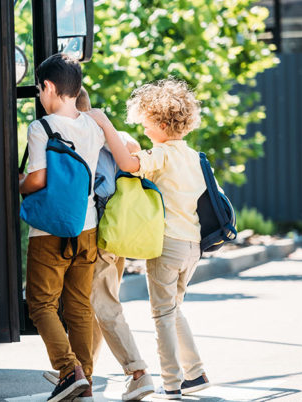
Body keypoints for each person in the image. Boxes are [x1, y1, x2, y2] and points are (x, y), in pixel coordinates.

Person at [87, 78, 211, 400]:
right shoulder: (193, 157)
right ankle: (195, 373)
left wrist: (103, 123)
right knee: (174, 309)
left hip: (167, 244)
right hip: (192, 246)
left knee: (161, 314)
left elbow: (130, 164)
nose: (143, 130)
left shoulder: (162, 155)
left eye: (145, 124)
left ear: (159, 122)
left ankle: (171, 382)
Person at [19, 55, 128, 402]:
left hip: (50, 230)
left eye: (39, 89)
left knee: (41, 305)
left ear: (49, 87)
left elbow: (37, 178)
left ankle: (69, 371)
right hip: (88, 229)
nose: (39, 96)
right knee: (79, 305)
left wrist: (18, 183)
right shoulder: (93, 128)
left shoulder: (41, 128)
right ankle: (87, 379)